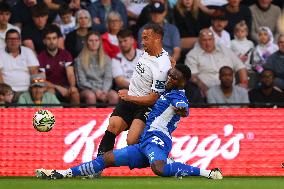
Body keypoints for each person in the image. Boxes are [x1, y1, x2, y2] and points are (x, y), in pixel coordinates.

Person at [35, 64, 223, 180]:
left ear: (184, 82)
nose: (170, 78)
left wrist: (182, 110)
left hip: (158, 139)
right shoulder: (166, 90)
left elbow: (183, 108)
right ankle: (62, 173)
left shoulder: (178, 95)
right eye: (170, 74)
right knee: (107, 158)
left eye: (175, 77)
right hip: (144, 142)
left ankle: (208, 173)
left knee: (159, 168)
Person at [96, 23, 172, 157]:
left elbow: (153, 98)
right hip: (130, 98)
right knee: (112, 126)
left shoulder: (162, 66)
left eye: (146, 38)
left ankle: (160, 156)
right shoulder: (146, 53)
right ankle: (98, 165)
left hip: (145, 105)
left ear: (157, 38)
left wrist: (129, 97)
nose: (142, 42)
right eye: (142, 38)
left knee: (132, 140)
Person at [185, 28, 248, 97]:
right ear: (199, 41)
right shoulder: (192, 55)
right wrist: (205, 89)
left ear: (214, 40)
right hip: (207, 90)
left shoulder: (224, 50)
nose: (208, 43)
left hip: (231, 89)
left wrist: (244, 83)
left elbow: (240, 67)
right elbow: (193, 76)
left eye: (210, 39)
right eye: (204, 40)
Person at [38, 26, 80, 105]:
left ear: (58, 40)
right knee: (51, 92)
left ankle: (75, 117)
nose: (52, 41)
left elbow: (71, 74)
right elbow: (41, 80)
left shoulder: (66, 54)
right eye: (49, 39)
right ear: (44, 41)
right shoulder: (40, 57)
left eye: (54, 38)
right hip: (50, 86)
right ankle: (55, 116)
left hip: (65, 86)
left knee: (75, 93)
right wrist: (57, 87)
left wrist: (72, 86)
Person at [74, 31, 119, 106]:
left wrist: (104, 91)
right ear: (86, 42)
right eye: (91, 40)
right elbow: (82, 82)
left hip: (104, 88)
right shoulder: (79, 59)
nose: (94, 43)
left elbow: (108, 78)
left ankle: (109, 118)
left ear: (100, 42)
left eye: (96, 40)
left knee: (114, 96)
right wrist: (96, 90)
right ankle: (92, 118)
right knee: (91, 96)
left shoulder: (106, 58)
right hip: (87, 89)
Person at [0, 29, 39, 100]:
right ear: (5, 41)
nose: (13, 41)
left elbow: (34, 74)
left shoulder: (28, 52)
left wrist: (34, 89)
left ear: (20, 41)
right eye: (10, 39)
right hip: (8, 92)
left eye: (16, 39)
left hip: (27, 90)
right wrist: (5, 92)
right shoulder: (0, 53)